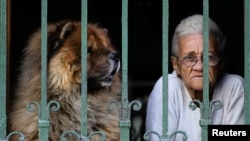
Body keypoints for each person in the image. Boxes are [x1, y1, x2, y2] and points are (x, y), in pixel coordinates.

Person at [145, 14, 244, 141]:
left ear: (221, 63)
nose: (199, 67)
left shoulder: (233, 86)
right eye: (190, 58)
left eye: (209, 57)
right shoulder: (167, 87)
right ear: (176, 64)